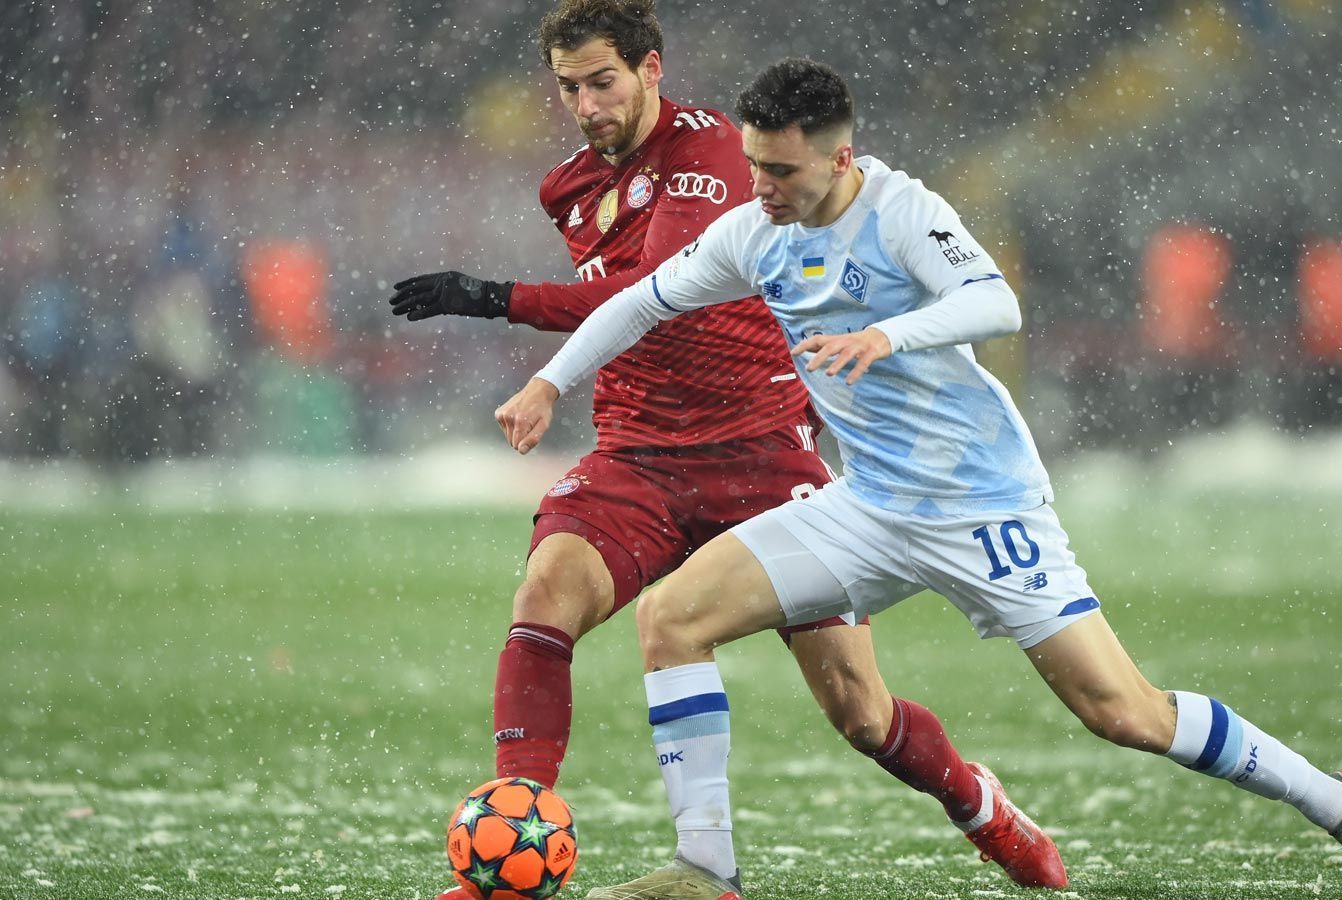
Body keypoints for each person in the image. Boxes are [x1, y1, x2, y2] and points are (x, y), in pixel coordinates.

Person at [495, 58, 1342, 900]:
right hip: (867, 505)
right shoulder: (753, 232)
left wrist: (885, 334)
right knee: (673, 619)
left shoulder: (900, 210)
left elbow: (995, 302)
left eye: (781, 170)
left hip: (981, 505)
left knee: (1124, 713)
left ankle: (1340, 807)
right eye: (754, 165)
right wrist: (547, 383)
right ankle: (707, 873)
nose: (762, 187)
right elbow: (639, 303)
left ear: (839, 157)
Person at [388, 3, 1064, 897]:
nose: (587, 105)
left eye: (604, 81)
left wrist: (494, 296)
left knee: (859, 712)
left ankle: (983, 808)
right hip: (637, 454)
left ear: (651, 70)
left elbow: (645, 290)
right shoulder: (566, 187)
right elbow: (619, 313)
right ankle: (513, 846)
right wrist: (554, 378)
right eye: (568, 88)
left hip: (761, 457)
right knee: (546, 595)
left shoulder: (710, 153)